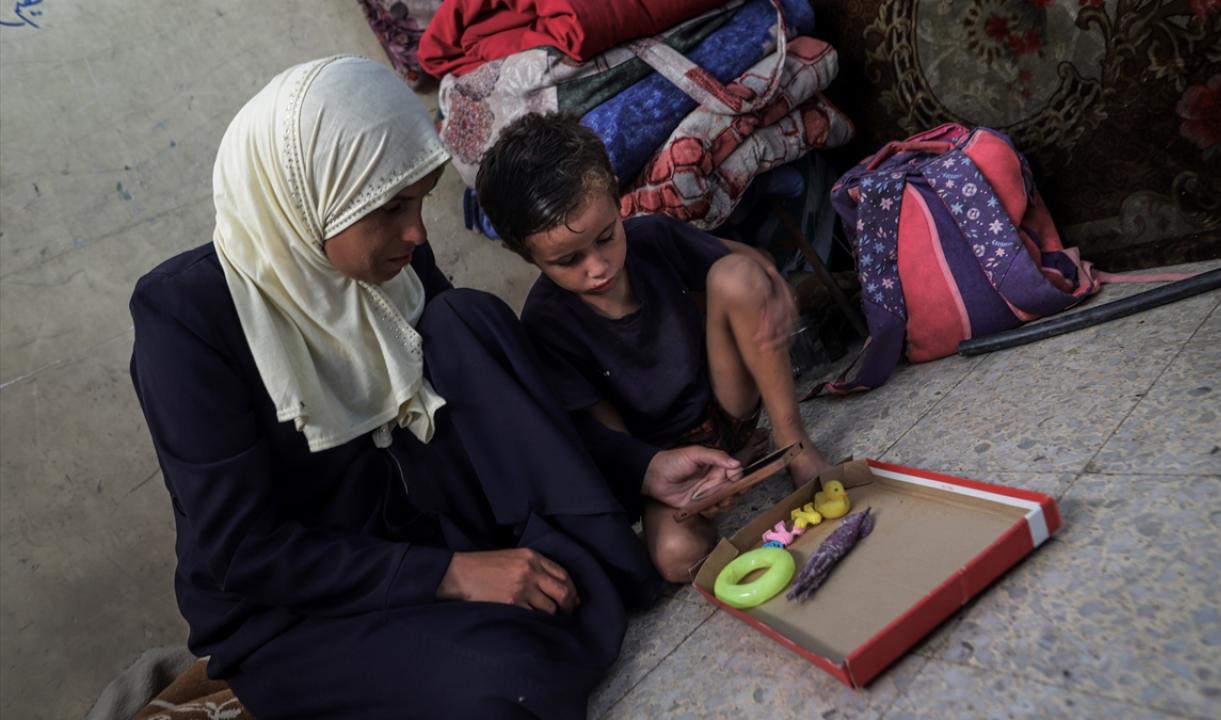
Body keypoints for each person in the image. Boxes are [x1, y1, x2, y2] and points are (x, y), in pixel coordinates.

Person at [128, 56, 739, 720]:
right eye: (392, 207)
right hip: (304, 611)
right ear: (311, 200)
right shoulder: (185, 319)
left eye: (419, 199)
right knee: (509, 680)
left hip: (433, 527)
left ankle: (586, 564)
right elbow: (245, 551)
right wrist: (452, 575)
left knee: (463, 322)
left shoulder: (397, 262)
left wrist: (643, 466)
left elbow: (496, 413)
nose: (418, 232)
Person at [475, 112, 835, 584]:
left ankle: (793, 443)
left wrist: (773, 285)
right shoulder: (547, 325)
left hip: (726, 402)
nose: (598, 267)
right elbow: (614, 441)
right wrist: (674, 486)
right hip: (666, 462)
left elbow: (746, 266)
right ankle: (740, 462)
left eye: (607, 237)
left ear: (616, 200)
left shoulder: (653, 238)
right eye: (569, 260)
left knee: (736, 278)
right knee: (675, 558)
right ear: (527, 255)